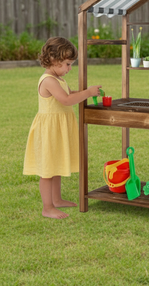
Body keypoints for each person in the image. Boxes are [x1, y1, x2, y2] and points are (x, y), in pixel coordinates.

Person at [23, 37, 101, 219]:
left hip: (57, 130)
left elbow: (69, 94)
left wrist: (85, 93)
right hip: (49, 131)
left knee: (56, 165)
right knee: (47, 170)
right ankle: (47, 207)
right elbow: (65, 100)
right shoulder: (48, 80)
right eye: (67, 64)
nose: (69, 68)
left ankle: (57, 200)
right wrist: (87, 93)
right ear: (53, 59)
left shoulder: (57, 79)